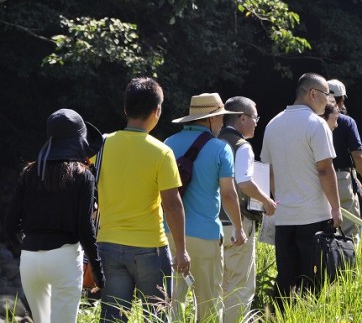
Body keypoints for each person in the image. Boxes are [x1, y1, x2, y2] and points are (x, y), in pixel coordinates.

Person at [96, 77, 190, 323]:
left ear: (125, 108)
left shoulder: (102, 146)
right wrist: (181, 251)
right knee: (156, 318)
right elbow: (172, 205)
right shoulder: (161, 152)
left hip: (108, 245)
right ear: (157, 111)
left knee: (112, 319)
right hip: (150, 248)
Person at [4, 108, 105, 323]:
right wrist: (97, 269)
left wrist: (25, 247)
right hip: (64, 258)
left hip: (30, 259)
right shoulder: (82, 175)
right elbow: (84, 226)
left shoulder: (30, 172)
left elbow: (10, 223)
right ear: (79, 140)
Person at [260, 72, 342, 308]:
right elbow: (325, 170)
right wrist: (336, 208)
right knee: (313, 283)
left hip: (284, 218)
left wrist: (279, 200)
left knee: (287, 282)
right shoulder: (316, 125)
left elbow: (270, 171)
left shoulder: (273, 124)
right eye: (326, 95)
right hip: (314, 217)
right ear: (312, 93)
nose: (328, 101)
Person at [165, 92, 247, 323]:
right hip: (206, 236)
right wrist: (239, 228)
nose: (222, 123)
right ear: (211, 119)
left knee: (173, 302)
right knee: (209, 302)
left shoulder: (168, 144)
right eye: (220, 117)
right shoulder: (220, 148)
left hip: (171, 233)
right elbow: (229, 194)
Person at [219, 96, 277, 323]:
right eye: (254, 117)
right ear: (242, 118)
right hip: (238, 222)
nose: (256, 122)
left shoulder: (213, 141)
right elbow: (244, 182)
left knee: (219, 284)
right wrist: (267, 201)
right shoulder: (242, 146)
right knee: (241, 285)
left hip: (212, 222)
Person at [326, 79, 362, 239]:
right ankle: (348, 264)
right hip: (341, 180)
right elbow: (358, 156)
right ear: (341, 99)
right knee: (349, 232)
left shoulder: (313, 121)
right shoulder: (346, 122)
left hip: (315, 180)